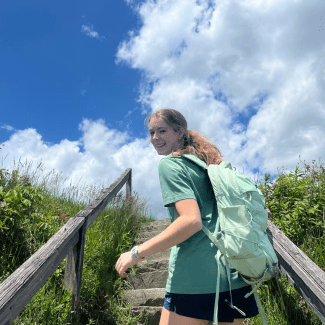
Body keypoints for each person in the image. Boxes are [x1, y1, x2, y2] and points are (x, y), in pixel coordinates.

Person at [115, 108, 271, 325]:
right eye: (151, 133)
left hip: (194, 277)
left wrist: (136, 252)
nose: (155, 138)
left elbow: (191, 221)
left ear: (179, 132)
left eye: (162, 131)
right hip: (233, 274)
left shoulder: (170, 164)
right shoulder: (209, 166)